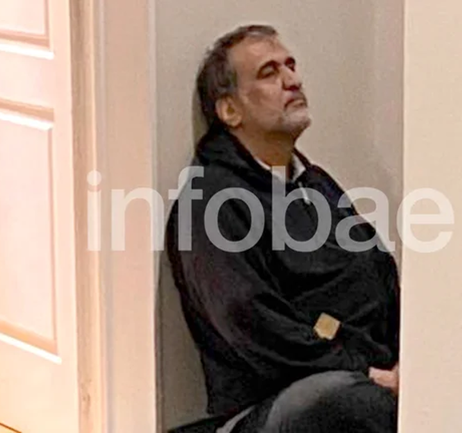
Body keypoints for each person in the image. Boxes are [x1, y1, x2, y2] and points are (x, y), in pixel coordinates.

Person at [166, 25, 400, 432]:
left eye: (291, 66)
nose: (292, 80)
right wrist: (370, 373)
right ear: (230, 111)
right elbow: (254, 325)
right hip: (277, 403)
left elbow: (379, 273)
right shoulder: (210, 203)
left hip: (367, 376)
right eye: (269, 73)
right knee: (349, 402)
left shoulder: (314, 183)